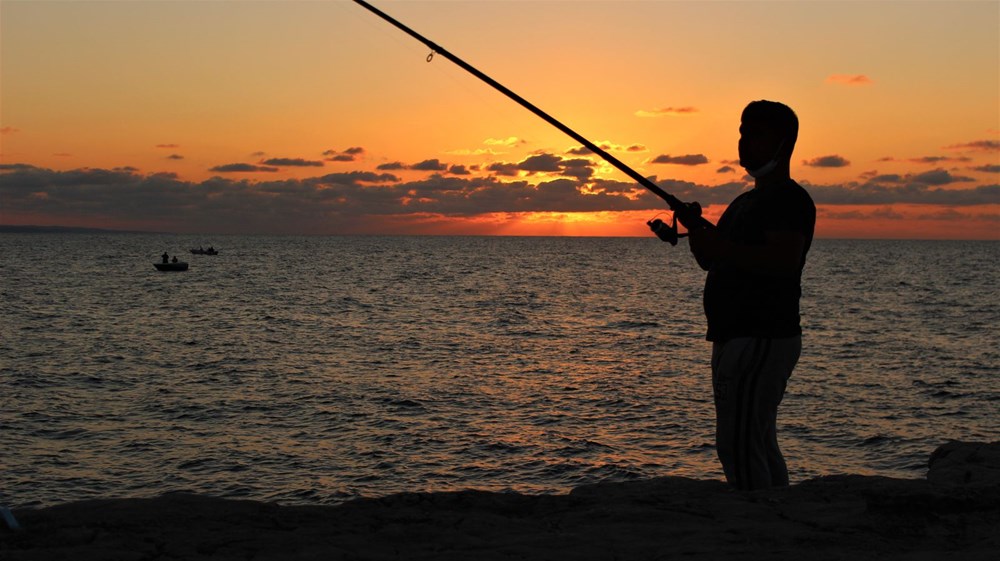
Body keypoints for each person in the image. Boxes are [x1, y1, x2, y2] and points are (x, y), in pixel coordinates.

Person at [687, 100, 816, 490]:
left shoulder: (789, 201)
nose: (744, 142)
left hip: (762, 336)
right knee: (756, 439)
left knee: (736, 444)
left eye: (755, 134)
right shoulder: (744, 202)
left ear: (784, 143)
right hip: (732, 337)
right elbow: (711, 259)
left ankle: (757, 525)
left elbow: (783, 261)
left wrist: (722, 247)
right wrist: (694, 228)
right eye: (742, 132)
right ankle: (779, 514)